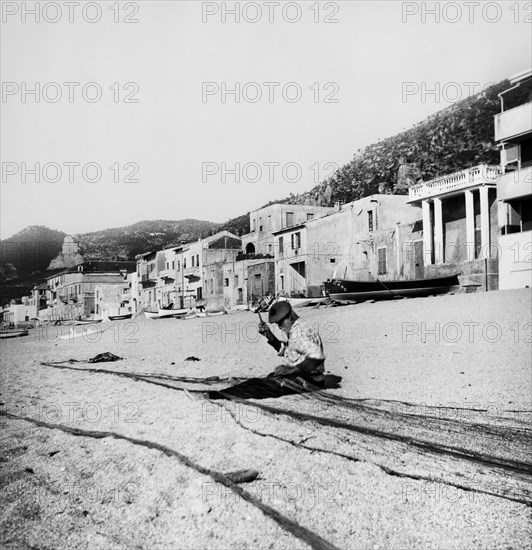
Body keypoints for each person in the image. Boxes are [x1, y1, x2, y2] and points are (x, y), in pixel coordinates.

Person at [258, 300, 325, 379]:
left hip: (309, 379)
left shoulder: (299, 333)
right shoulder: (298, 327)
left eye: (280, 323)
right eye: (277, 324)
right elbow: (290, 351)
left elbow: (317, 356)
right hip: (308, 376)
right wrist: (269, 335)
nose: (279, 327)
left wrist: (291, 370)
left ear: (289, 317)